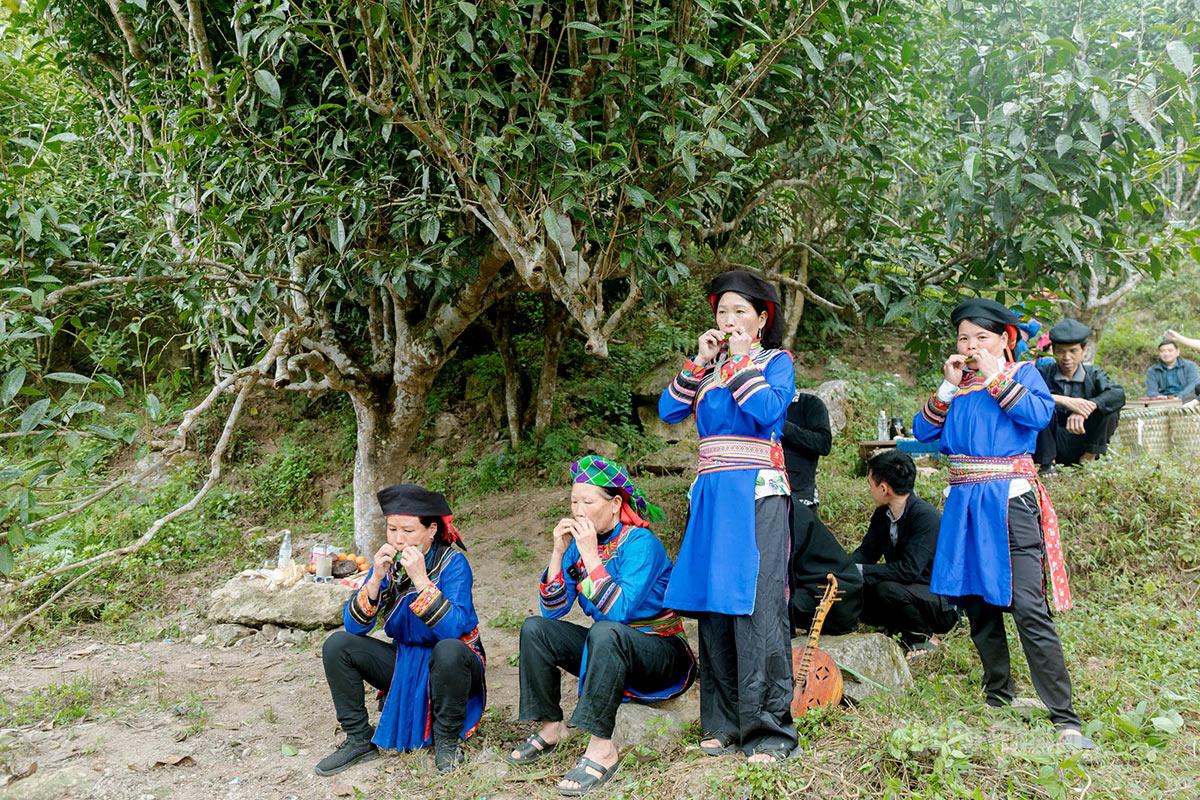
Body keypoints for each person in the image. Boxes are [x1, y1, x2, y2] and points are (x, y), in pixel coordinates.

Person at [911, 298, 1094, 750]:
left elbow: (1035, 416)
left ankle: (1064, 717)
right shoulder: (960, 387)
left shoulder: (1022, 375)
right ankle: (999, 694)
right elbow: (923, 432)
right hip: (963, 502)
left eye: (981, 337)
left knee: (1029, 605)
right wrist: (948, 387)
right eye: (963, 338)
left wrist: (994, 374)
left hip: (1010, 500)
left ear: (1004, 340)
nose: (971, 346)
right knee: (976, 601)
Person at [658, 269, 797, 763]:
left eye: (741, 311)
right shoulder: (709, 369)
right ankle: (721, 723)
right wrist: (700, 361)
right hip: (712, 493)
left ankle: (770, 731)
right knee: (715, 605)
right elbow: (669, 411)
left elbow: (768, 413)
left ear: (762, 319)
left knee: (757, 606)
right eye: (722, 311)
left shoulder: (775, 363)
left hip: (755, 492)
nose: (730, 319)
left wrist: (740, 363)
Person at [508, 456, 695, 796]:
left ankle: (601, 747)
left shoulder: (640, 544)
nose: (578, 510)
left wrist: (590, 556)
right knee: (535, 629)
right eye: (573, 501)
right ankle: (552, 726)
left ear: (615, 505)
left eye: (588, 502)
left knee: (606, 630)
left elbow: (618, 611)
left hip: (661, 651)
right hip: (608, 645)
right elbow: (552, 611)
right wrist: (558, 551)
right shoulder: (578, 546)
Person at [317, 485, 485, 776]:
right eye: (392, 529)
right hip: (406, 659)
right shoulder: (387, 565)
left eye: (407, 531)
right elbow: (355, 625)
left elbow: (454, 630)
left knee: (448, 651)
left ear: (431, 530)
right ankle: (358, 739)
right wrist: (375, 579)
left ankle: (447, 742)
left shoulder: (454, 564)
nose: (398, 539)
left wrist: (421, 581)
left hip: (454, 664)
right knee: (338, 645)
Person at [851, 450, 959, 652]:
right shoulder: (883, 514)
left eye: (870, 484)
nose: (870, 490)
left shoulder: (925, 517)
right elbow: (867, 552)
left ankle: (924, 639)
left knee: (886, 589)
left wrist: (862, 571)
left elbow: (908, 570)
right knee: (857, 588)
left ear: (884, 488)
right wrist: (844, 570)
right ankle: (897, 629)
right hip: (907, 589)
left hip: (938, 601)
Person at [1033, 319, 1125, 471]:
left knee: (1110, 408)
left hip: (1084, 439)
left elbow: (1117, 394)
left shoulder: (1094, 374)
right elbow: (1027, 395)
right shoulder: (1042, 373)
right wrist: (1063, 401)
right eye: (1061, 351)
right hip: (1051, 442)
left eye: (1073, 351)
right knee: (1040, 407)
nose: (1066, 357)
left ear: (1084, 350)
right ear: (1053, 351)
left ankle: (1088, 458)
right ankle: (1048, 463)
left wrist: (1085, 409)